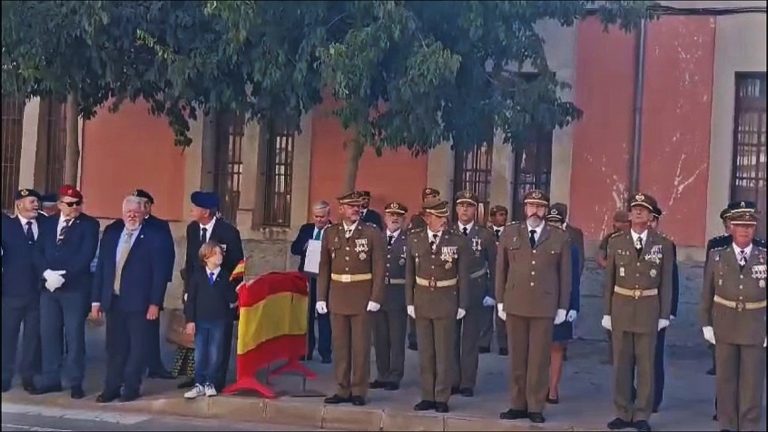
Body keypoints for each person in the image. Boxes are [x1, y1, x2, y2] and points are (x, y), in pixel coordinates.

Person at [496, 190, 571, 424]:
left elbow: (565, 275)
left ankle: (536, 405)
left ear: (546, 210)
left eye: (540, 207)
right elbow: (501, 270)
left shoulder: (559, 237)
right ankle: (517, 404)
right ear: (525, 208)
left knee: (538, 359)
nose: (535, 211)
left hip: (544, 305)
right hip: (516, 302)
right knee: (517, 357)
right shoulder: (510, 233)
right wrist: (500, 300)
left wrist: (562, 307)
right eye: (531, 206)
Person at [601, 193, 673, 432]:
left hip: (648, 309)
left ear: (652, 216)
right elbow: (608, 279)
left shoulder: (662, 244)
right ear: (630, 214)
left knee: (646, 365)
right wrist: (607, 312)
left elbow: (666, 282)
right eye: (635, 209)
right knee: (621, 363)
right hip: (621, 307)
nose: (638, 212)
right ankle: (622, 411)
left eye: (644, 209)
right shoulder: (616, 242)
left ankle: (642, 413)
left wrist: (664, 314)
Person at [91, 195, 167, 403]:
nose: (132, 216)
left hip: (140, 303)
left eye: (136, 212)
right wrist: (96, 300)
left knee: (137, 347)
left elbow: (159, 273)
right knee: (115, 347)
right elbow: (102, 268)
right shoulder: (112, 232)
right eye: (128, 212)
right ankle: (111, 387)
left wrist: (155, 303)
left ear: (144, 214)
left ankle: (131, 387)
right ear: (122, 213)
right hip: (114, 300)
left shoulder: (154, 236)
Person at [700, 201, 766, 432]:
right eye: (739, 225)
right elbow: (707, 292)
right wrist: (706, 323)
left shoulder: (764, 256)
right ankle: (727, 424)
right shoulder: (718, 256)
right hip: (725, 324)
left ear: (755, 228)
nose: (745, 229)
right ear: (731, 228)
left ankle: (749, 425)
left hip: (755, 326)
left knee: (752, 382)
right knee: (725, 380)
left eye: (749, 225)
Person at [316, 191, 385, 406]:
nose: (356, 209)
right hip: (338, 295)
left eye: (359, 206)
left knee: (360, 346)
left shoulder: (371, 233)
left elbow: (380, 268)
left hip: (362, 296)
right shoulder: (331, 233)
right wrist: (321, 296)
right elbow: (324, 267)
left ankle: (358, 390)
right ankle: (342, 388)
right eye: (351, 206)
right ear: (341, 209)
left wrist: (375, 297)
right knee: (341, 346)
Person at [31, 185, 99, 400]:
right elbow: (38, 251)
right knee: (49, 334)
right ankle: (51, 379)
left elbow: (86, 255)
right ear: (60, 204)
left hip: (74, 288)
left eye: (78, 203)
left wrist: (63, 276)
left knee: (74, 337)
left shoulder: (89, 224)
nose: (75, 207)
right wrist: (46, 273)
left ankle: (75, 381)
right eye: (70, 204)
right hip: (49, 288)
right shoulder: (48, 223)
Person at [406, 198, 470, 413]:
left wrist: (462, 303)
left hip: (446, 299)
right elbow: (409, 275)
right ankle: (427, 395)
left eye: (444, 217)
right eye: (438, 217)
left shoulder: (458, 241)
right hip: (423, 299)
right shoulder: (415, 240)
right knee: (425, 352)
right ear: (427, 218)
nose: (443, 221)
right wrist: (409, 302)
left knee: (444, 352)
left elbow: (463, 275)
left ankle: (442, 396)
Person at [177, 192, 244, 392]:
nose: (191, 211)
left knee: (218, 342)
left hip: (219, 292)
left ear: (206, 212)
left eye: (195, 208)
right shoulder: (192, 229)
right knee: (197, 337)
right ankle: (197, 377)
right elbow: (190, 260)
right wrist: (188, 288)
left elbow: (237, 264)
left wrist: (232, 293)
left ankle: (216, 379)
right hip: (198, 289)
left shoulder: (228, 232)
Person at [451, 190, 496, 397]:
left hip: (476, 288)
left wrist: (492, 292)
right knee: (450, 338)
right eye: (461, 206)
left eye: (469, 206)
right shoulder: (448, 232)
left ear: (475, 210)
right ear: (456, 208)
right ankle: (451, 379)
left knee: (470, 338)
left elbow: (495, 265)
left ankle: (467, 382)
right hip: (451, 290)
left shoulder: (484, 235)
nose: (464, 210)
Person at [128, 189, 176, 379]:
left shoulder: (159, 226)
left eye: (141, 204)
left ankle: (154, 364)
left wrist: (163, 282)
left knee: (150, 325)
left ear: (147, 206)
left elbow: (168, 255)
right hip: (129, 286)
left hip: (151, 285)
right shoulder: (125, 223)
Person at [2, 189, 45, 393]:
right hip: (12, 291)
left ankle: (28, 377)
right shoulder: (6, 226)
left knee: (32, 338)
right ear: (19, 204)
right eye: (32, 201)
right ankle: (4, 376)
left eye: (37, 201)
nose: (36, 205)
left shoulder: (45, 225)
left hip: (38, 292)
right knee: (7, 337)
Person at [183, 241, 238, 399]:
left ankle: (210, 382)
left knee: (215, 353)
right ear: (206, 257)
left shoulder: (226, 276)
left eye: (220, 253)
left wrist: (235, 290)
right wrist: (190, 320)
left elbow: (232, 298)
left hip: (219, 320)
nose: (219, 257)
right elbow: (191, 300)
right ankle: (199, 383)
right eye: (215, 254)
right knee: (200, 353)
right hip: (201, 320)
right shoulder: (197, 276)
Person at [370, 202, 409, 391]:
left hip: (398, 295)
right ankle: (382, 373)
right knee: (380, 338)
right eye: (391, 215)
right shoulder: (376, 238)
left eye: (398, 216)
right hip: (378, 295)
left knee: (396, 338)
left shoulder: (409, 241)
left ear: (403, 220)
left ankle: (395, 375)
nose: (394, 219)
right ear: (385, 218)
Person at [543, 206, 580, 405]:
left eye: (556, 223)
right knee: (539, 347)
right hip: (540, 302)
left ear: (563, 224)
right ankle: (539, 386)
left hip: (561, 302)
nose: (553, 227)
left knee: (557, 347)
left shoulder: (570, 246)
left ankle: (553, 389)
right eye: (550, 223)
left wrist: (574, 306)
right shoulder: (538, 245)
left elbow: (574, 278)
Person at [290, 201, 333, 363]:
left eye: (322, 217)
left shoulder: (334, 231)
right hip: (307, 277)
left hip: (325, 279)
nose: (319, 220)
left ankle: (325, 351)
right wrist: (304, 245)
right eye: (316, 216)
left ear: (328, 216)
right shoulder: (306, 229)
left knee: (324, 315)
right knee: (306, 316)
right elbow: (294, 249)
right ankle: (306, 350)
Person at [648, 206, 679, 413]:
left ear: (657, 222)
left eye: (653, 221)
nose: (648, 224)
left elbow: (671, 279)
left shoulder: (665, 244)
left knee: (655, 356)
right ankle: (634, 396)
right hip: (633, 309)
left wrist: (670, 310)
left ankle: (654, 398)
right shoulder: (626, 242)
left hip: (658, 309)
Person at [407, 187, 440, 351]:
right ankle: (414, 337)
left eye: (433, 197)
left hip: (436, 264)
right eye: (427, 198)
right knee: (416, 304)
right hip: (419, 260)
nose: (430, 200)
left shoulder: (442, 218)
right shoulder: (417, 219)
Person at [597, 209, 631, 365]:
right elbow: (600, 258)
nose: (617, 225)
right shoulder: (609, 239)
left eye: (621, 222)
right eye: (616, 222)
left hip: (629, 286)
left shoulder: (633, 239)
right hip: (612, 285)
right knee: (610, 321)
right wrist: (610, 267)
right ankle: (613, 354)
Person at [479, 204, 509, 356]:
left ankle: (504, 343)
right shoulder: (485, 234)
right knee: (485, 312)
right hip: (488, 275)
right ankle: (484, 342)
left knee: (503, 311)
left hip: (504, 276)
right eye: (499, 215)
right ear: (492, 217)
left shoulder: (510, 233)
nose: (503, 218)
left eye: (504, 215)